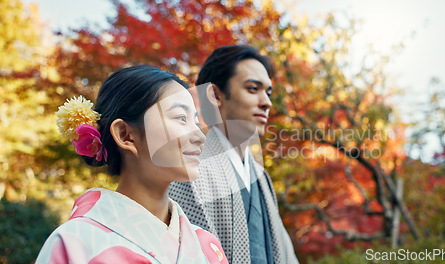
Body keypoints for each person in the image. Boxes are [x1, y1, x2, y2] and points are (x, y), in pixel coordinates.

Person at [36, 65, 228, 264]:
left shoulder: (208, 247)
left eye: (195, 123)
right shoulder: (75, 242)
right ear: (125, 135)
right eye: (181, 118)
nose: (199, 136)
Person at [169, 45, 299, 264]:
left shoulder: (261, 178)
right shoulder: (189, 169)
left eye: (268, 92)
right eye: (252, 88)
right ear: (215, 94)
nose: (266, 102)